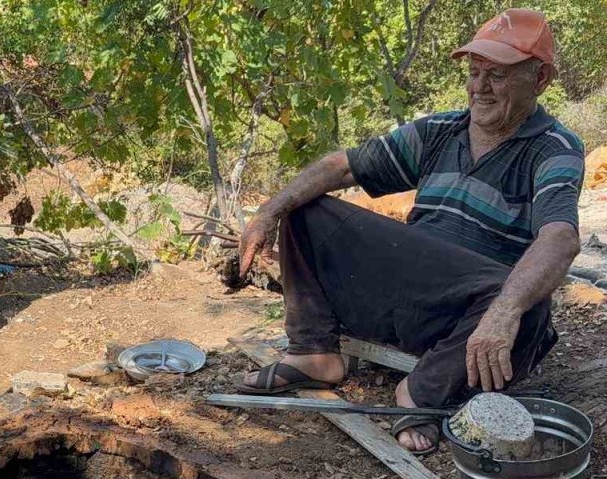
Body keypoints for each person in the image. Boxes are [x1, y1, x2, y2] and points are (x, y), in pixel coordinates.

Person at [235, 8, 583, 453]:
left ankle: (420, 391)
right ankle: (313, 351)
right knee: (304, 208)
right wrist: (267, 213)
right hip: (400, 297)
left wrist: (504, 311)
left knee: (528, 304)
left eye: (497, 76)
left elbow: (560, 237)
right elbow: (343, 167)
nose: (480, 88)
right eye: (475, 73)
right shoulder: (440, 129)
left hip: (469, 320)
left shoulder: (554, 147)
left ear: (539, 80)